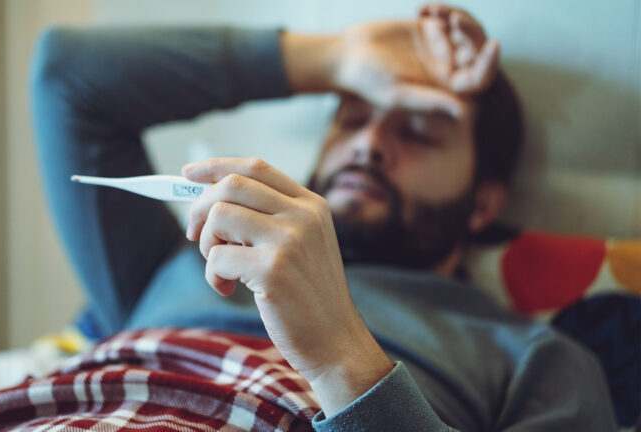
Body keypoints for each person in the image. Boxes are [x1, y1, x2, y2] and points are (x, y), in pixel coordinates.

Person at [31, 3, 616, 430]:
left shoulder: (536, 358)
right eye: (352, 117)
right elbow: (66, 75)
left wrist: (341, 358)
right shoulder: (185, 258)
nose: (369, 145)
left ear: (484, 203)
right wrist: (332, 58)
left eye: (419, 131)